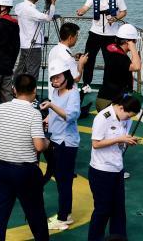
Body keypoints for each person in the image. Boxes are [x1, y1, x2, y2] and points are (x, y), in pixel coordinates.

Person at [0, 73, 49, 241]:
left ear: (14, 89)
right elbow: (39, 146)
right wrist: (46, 141)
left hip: (4, 168)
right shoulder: (34, 114)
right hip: (26, 171)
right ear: (34, 91)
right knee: (36, 215)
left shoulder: (1, 108)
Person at [87, 95, 141, 241]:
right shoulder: (102, 118)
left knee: (118, 208)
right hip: (101, 171)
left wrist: (127, 140)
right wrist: (120, 139)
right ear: (121, 107)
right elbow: (96, 144)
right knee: (103, 209)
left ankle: (118, 238)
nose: (127, 119)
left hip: (117, 168)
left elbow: (120, 139)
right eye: (128, 116)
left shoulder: (125, 118)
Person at [40, 61, 82, 231]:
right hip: (56, 139)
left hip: (66, 142)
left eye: (57, 77)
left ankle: (63, 217)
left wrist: (51, 105)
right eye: (52, 78)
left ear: (67, 76)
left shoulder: (73, 93)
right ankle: (66, 214)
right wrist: (47, 118)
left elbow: (71, 116)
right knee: (60, 180)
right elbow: (54, 113)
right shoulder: (57, 92)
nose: (54, 81)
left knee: (64, 181)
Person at [75, 0, 127, 93]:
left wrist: (115, 18)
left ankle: (107, 85)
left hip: (111, 34)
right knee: (88, 58)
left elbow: (124, 12)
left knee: (110, 62)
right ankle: (86, 84)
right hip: (95, 33)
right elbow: (85, 7)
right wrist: (81, 11)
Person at [13, 0, 57, 80]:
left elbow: (40, 16)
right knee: (33, 72)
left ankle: (14, 88)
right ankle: (30, 92)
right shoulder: (30, 10)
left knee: (21, 70)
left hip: (24, 44)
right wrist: (52, 3)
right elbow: (48, 18)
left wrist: (48, 5)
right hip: (34, 46)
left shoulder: (20, 6)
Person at [96, 23, 142, 112]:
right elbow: (137, 66)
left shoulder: (112, 51)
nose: (135, 43)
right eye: (134, 41)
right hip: (110, 102)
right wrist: (133, 48)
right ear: (127, 41)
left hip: (104, 99)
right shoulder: (120, 57)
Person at [46, 21, 88, 89]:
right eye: (76, 36)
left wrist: (73, 58)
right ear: (70, 38)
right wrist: (81, 64)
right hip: (66, 97)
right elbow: (76, 78)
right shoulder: (67, 56)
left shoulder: (54, 49)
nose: (77, 39)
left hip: (53, 94)